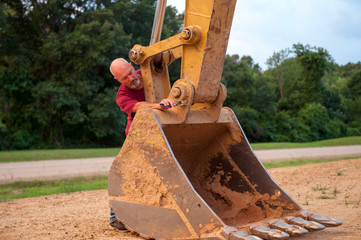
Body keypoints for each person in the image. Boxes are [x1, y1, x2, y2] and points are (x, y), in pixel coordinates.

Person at [108, 58, 175, 231]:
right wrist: (158, 106)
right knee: (129, 173)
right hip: (138, 137)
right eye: (124, 78)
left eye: (130, 73)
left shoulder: (148, 75)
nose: (130, 79)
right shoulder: (122, 96)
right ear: (118, 80)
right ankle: (115, 216)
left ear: (132, 66)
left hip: (164, 131)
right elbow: (139, 106)